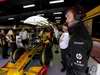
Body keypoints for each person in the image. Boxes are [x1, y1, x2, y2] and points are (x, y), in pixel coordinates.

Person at [65, 7, 92, 75]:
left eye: (68, 17)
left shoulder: (78, 37)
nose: (66, 20)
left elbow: (79, 69)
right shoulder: (79, 32)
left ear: (77, 17)